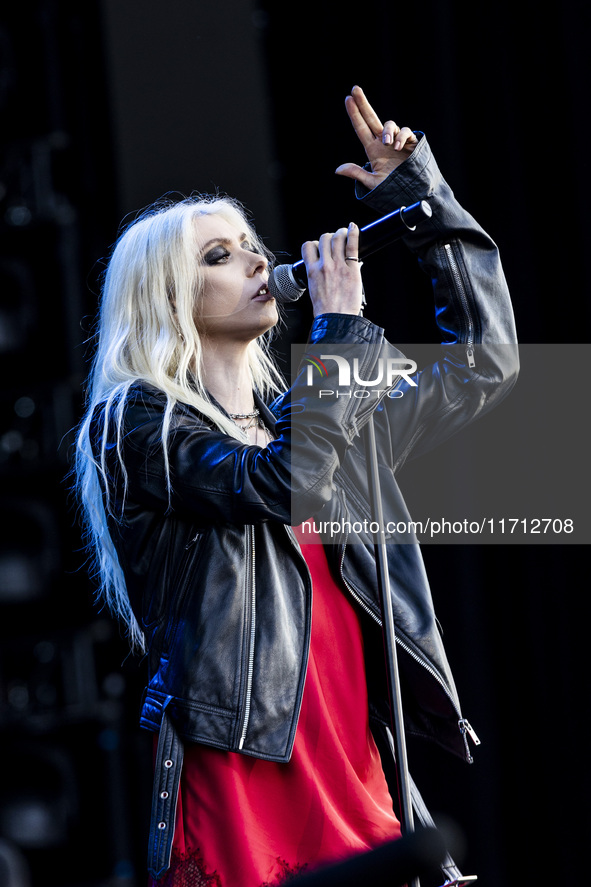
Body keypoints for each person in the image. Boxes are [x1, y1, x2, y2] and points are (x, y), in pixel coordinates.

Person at [74, 86, 518, 887]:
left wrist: (417, 195)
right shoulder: (134, 426)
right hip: (246, 775)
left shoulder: (324, 416)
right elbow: (279, 484)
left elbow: (487, 360)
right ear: (166, 300)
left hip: (356, 768)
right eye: (217, 255)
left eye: (249, 242)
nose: (253, 259)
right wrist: (341, 332)